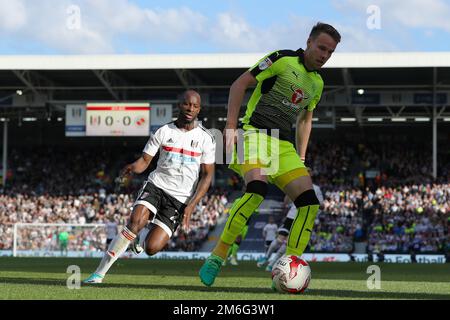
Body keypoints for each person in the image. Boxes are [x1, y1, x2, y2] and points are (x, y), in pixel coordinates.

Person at [199, 22, 340, 286]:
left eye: (330, 52)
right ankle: (218, 255)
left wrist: (301, 157)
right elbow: (239, 84)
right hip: (254, 134)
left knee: (309, 203)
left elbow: (305, 121)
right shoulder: (282, 59)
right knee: (256, 189)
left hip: (284, 147)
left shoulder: (317, 83)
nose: (324, 55)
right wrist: (230, 127)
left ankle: (289, 268)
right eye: (321, 48)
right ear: (309, 42)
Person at [84, 90, 216, 283]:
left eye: (195, 106)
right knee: (135, 222)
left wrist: (193, 203)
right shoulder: (163, 131)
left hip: (180, 199)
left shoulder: (206, 138)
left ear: (199, 109)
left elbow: (207, 175)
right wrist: (132, 167)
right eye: (187, 104)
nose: (190, 109)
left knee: (151, 248)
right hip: (157, 185)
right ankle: (99, 273)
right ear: (179, 105)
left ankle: (139, 238)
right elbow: (145, 161)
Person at [257, 179, 324, 271]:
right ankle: (267, 257)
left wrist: (312, 203)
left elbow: (322, 205)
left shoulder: (316, 189)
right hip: (291, 216)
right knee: (279, 240)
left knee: (288, 245)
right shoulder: (296, 184)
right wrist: (288, 193)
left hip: (302, 218)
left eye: (308, 172)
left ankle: (273, 264)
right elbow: (286, 202)